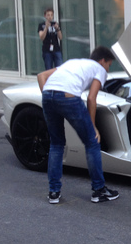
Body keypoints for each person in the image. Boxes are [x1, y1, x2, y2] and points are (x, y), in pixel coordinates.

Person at [37, 46, 119, 204]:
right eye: (109, 64)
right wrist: (93, 126)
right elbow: (91, 99)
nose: (108, 69)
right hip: (69, 97)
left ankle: (54, 193)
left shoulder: (73, 62)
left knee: (56, 144)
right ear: (102, 61)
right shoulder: (99, 69)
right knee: (92, 142)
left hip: (48, 95)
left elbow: (42, 76)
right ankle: (99, 190)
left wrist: (52, 99)